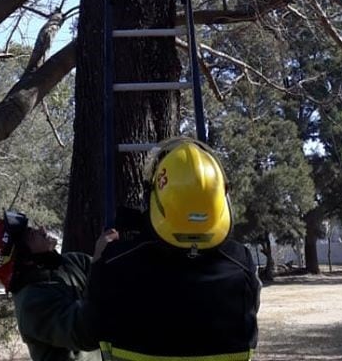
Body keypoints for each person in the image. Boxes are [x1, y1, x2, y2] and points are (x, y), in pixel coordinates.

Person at [85, 137, 261, 361]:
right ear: (223, 198)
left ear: (153, 199)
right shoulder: (241, 263)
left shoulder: (115, 262)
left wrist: (99, 262)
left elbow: (89, 328)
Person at [0, 210, 100, 361]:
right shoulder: (31, 304)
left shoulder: (71, 262)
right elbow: (88, 332)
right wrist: (100, 268)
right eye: (31, 234)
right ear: (24, 258)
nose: (42, 229)